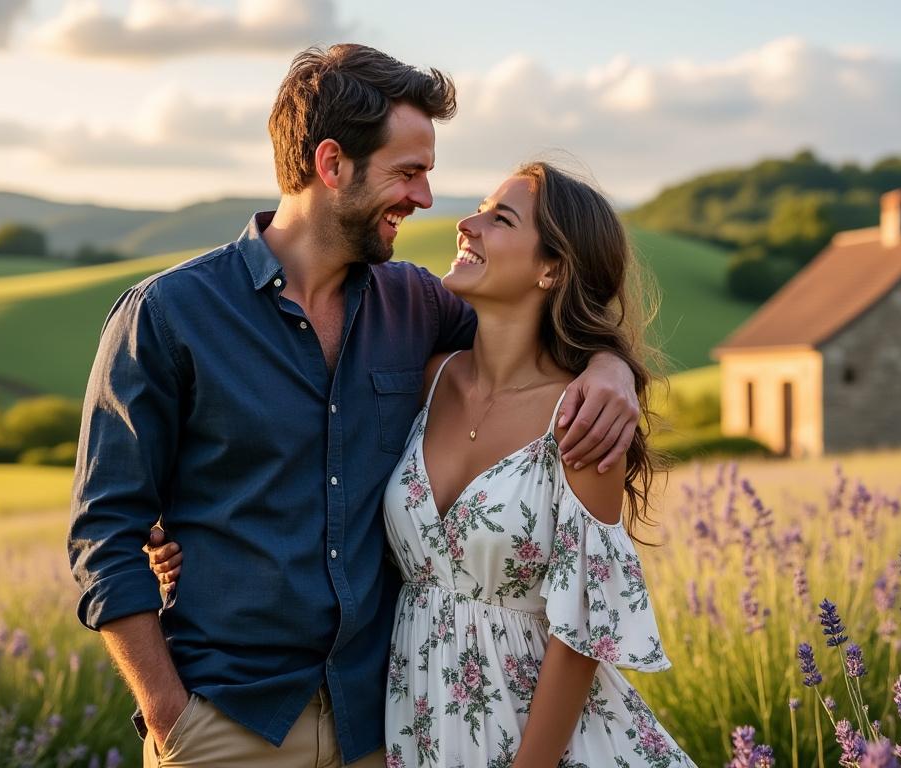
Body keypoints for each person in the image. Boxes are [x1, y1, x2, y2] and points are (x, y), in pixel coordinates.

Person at [67, 44, 640, 768]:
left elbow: (542, 335)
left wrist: (612, 367)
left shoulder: (418, 305)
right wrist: (170, 716)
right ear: (332, 164)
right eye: (408, 172)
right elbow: (105, 531)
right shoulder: (168, 316)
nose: (425, 199)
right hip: (227, 723)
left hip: (387, 727)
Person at [150, 161, 696, 767]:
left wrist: (610, 364)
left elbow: (582, 633)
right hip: (417, 727)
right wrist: (187, 537)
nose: (467, 224)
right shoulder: (425, 382)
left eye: (500, 219)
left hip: (543, 740)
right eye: (479, 209)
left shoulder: (584, 418)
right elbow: (321, 471)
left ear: (553, 269)